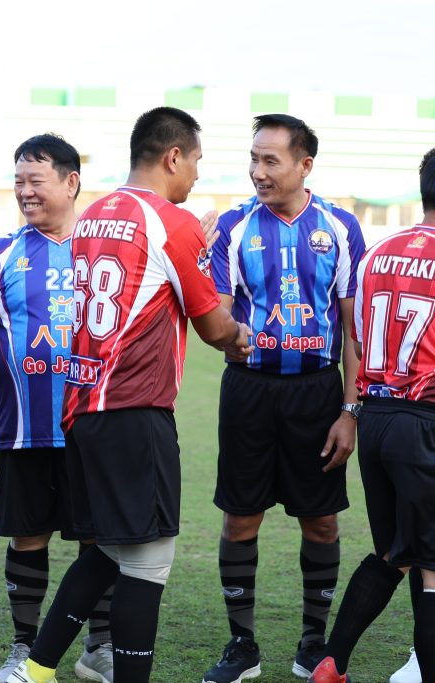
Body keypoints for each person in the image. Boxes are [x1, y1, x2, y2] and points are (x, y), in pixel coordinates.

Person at [11, 106, 250, 683]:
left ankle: (34, 670)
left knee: (109, 549)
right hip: (134, 410)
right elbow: (214, 326)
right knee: (149, 560)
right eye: (195, 161)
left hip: (83, 407)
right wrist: (241, 334)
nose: (196, 173)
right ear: (173, 157)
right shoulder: (171, 220)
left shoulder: (94, 214)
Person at [203, 114, 366, 683]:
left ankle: (313, 642)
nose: (258, 171)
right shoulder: (232, 226)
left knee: (321, 522)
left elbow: (353, 331)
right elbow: (219, 318)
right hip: (248, 392)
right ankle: (241, 644)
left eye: (270, 160)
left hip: (318, 394)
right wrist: (228, 323)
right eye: (254, 159)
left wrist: (350, 411)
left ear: (305, 165)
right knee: (239, 519)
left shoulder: (340, 227)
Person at [0, 133, 115, 683]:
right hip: (25, 428)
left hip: (92, 426)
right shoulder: (0, 253)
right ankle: (23, 648)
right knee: (28, 537)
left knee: (98, 538)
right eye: (18, 181)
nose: (25, 191)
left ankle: (100, 645)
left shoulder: (105, 250)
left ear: (71, 183)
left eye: (36, 181)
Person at [307, 148, 435, 683]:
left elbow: (356, 339)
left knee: (395, 553)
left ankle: (331, 664)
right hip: (423, 421)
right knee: (430, 566)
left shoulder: (378, 253)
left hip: (377, 416)